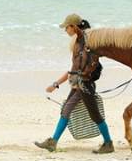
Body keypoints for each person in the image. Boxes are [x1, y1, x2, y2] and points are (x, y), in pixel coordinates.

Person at [36, 14, 114, 153]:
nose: (65, 30)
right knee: (66, 109)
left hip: (85, 85)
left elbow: (90, 64)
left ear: (74, 27)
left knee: (95, 115)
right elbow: (73, 70)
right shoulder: (78, 42)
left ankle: (108, 143)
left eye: (66, 27)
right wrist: (56, 84)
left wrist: (78, 79)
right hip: (78, 84)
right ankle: (53, 142)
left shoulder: (86, 43)